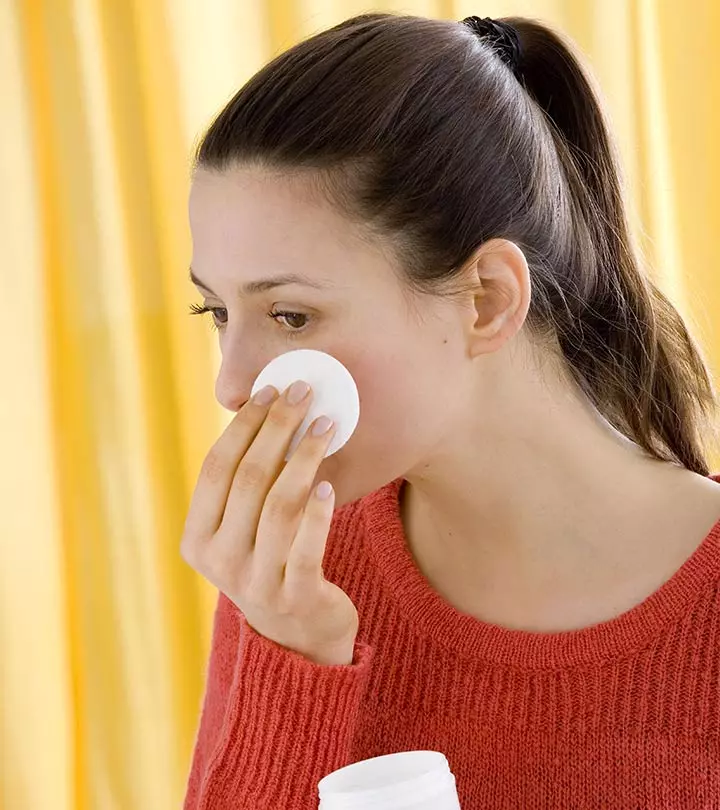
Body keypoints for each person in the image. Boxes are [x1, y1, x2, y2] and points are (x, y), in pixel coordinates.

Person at [180, 12, 720, 809]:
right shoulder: (296, 580)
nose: (232, 387)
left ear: (486, 299)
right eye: (218, 313)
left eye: (290, 316)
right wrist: (289, 656)